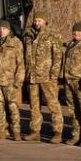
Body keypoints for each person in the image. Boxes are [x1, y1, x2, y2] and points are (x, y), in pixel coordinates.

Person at [22, 12, 64, 143]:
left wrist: (54, 74)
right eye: (35, 20)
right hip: (32, 76)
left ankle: (57, 132)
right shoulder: (28, 35)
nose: (37, 22)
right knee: (34, 106)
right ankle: (35, 131)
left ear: (45, 21)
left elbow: (58, 56)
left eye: (39, 20)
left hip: (47, 76)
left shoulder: (52, 35)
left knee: (53, 105)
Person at [0, 21, 24, 140]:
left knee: (12, 107)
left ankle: (16, 131)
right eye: (0, 28)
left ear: (9, 30)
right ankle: (1, 130)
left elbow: (20, 64)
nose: (2, 30)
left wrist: (18, 81)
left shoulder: (15, 42)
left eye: (4, 28)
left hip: (10, 81)